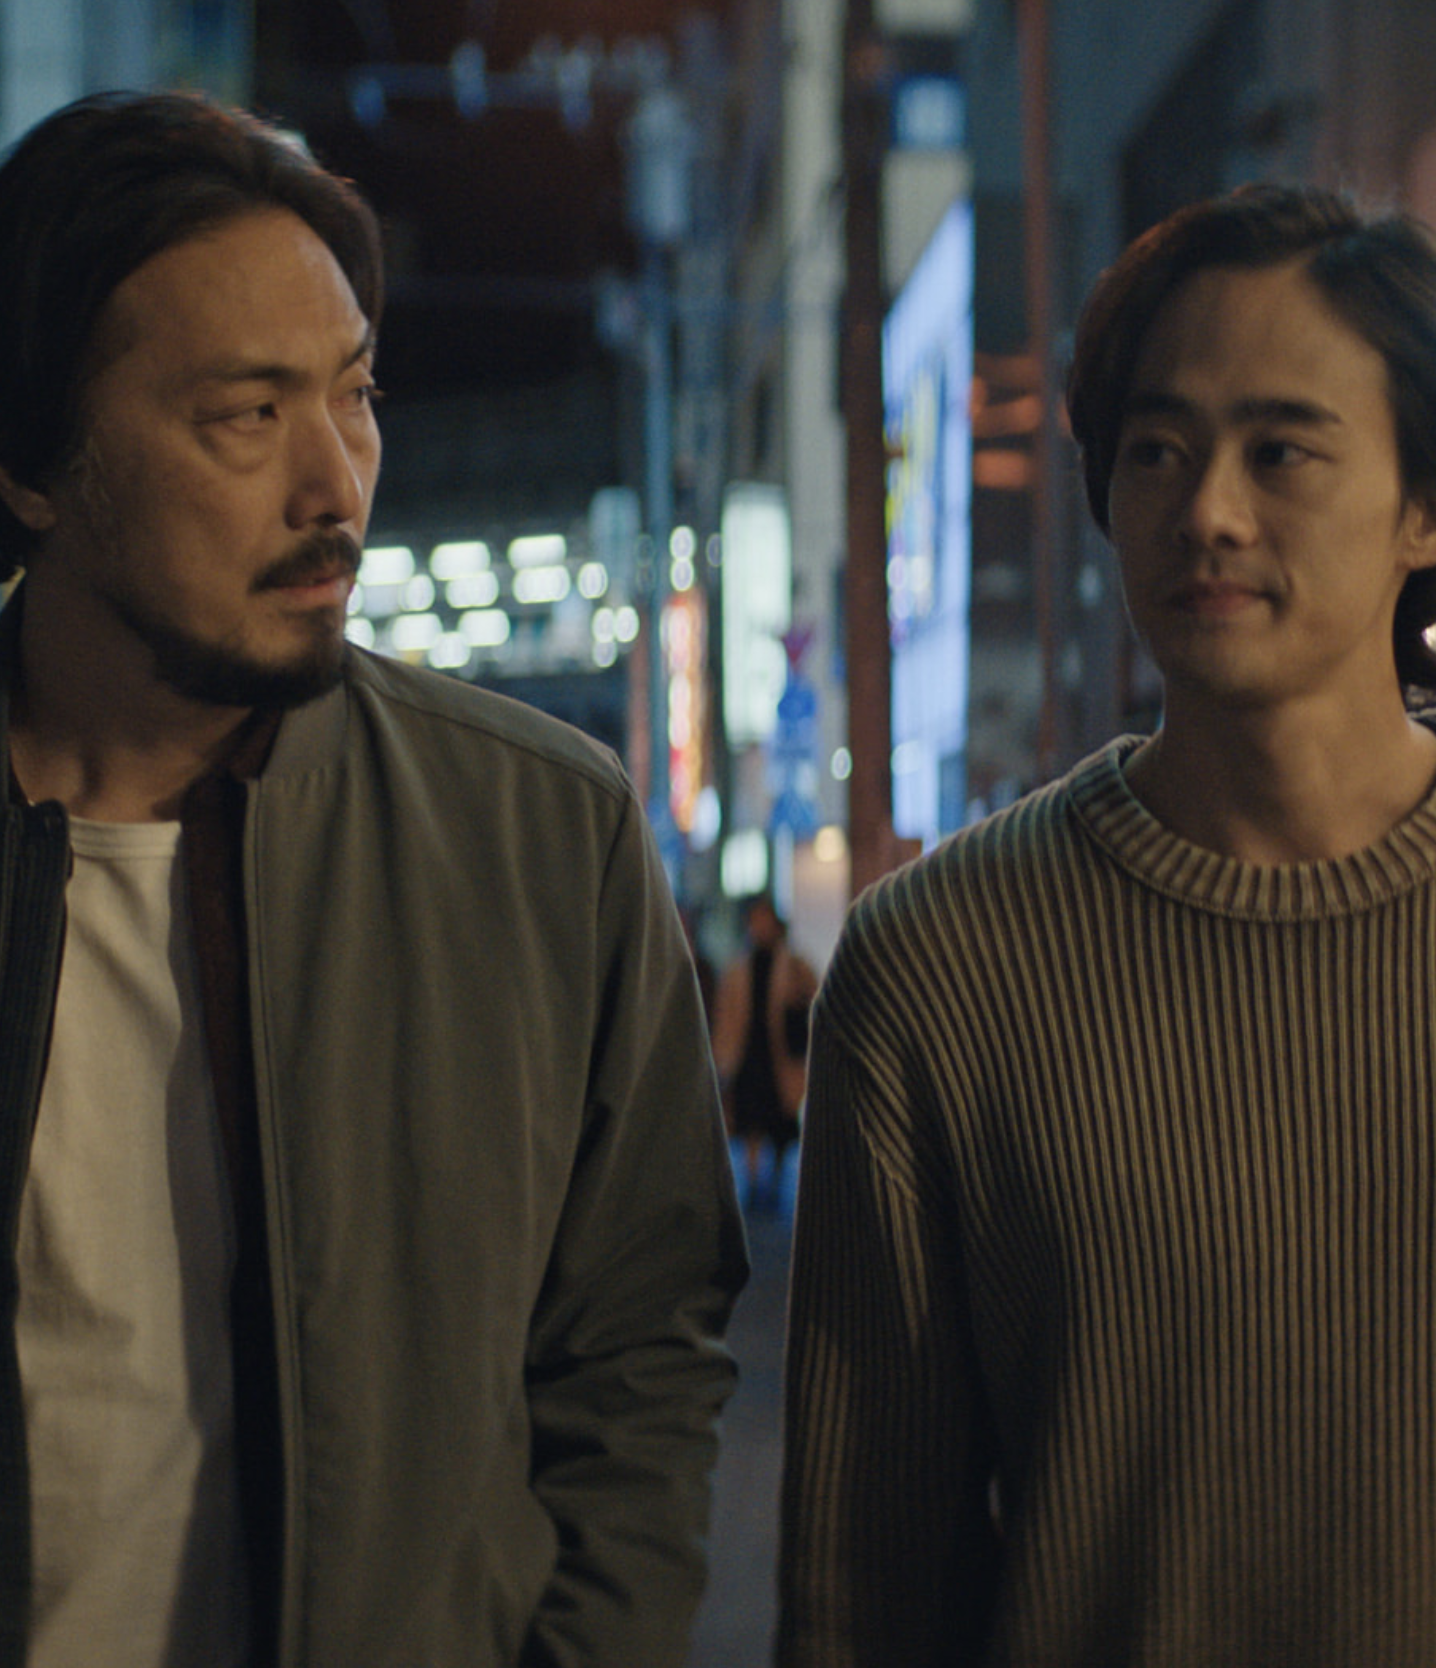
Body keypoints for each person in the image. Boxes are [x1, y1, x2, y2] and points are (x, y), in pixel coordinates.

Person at [0, 90, 747, 1668]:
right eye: (246, 416)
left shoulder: (540, 837)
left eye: (356, 395)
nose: (335, 486)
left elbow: (637, 1350)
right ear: (33, 461)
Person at [779, 181, 1436, 1667]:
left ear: (1421, 505)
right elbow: (864, 1575)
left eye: (1280, 450)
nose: (1208, 512)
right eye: (1157, 450)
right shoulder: (938, 966)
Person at [710, 895, 817, 1212]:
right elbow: (726, 1016)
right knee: (750, 1121)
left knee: (780, 1122)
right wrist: (722, 1057)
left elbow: (812, 1000)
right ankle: (756, 1181)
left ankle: (773, 1180)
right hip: (749, 1055)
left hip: (779, 1056)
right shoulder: (738, 969)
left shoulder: (795, 965)